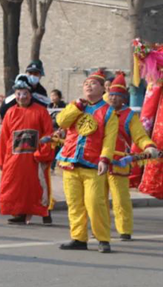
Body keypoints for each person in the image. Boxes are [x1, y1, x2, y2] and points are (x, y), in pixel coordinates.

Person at [55, 69, 118, 253]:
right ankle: (78, 238)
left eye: (93, 84)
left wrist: (104, 159)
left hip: (92, 164)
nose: (89, 86)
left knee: (95, 203)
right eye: (86, 84)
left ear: (102, 89)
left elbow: (109, 138)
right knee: (74, 203)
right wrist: (76, 107)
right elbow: (62, 121)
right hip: (70, 161)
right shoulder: (76, 106)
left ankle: (103, 238)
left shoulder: (108, 112)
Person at [0, 75, 56, 225]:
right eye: (19, 94)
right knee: (15, 185)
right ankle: (19, 213)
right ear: (15, 96)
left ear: (30, 95)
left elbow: (48, 133)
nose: (22, 97)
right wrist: (1, 159)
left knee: (39, 184)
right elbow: (5, 137)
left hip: (35, 157)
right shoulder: (10, 113)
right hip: (14, 157)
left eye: (25, 94)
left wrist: (43, 152)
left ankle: (45, 211)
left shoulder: (41, 112)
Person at [105, 72, 158, 241]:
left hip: (120, 162)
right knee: (97, 200)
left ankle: (124, 230)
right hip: (97, 162)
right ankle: (100, 229)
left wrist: (149, 146)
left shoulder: (130, 116)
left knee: (120, 200)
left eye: (117, 96)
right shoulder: (101, 112)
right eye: (111, 95)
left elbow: (140, 136)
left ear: (124, 99)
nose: (113, 99)